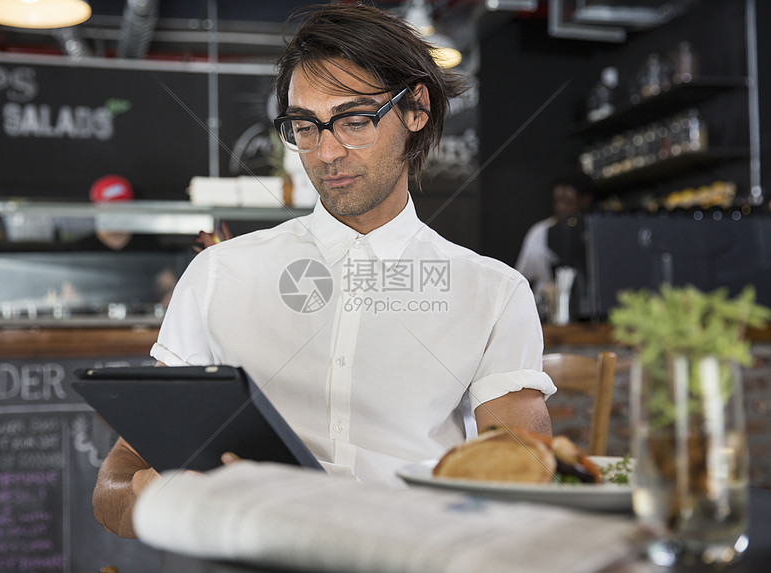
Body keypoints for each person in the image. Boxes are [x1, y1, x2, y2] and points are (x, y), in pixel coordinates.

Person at [92, 4, 555, 538]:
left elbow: (530, 488)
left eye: (355, 120)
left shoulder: (493, 293)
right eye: (305, 126)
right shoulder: (218, 275)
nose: (327, 152)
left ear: (416, 109)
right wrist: (150, 497)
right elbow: (113, 492)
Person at [514, 170, 594, 305]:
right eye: (557, 201)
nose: (560, 207)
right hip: (547, 308)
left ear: (585, 200)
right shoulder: (540, 232)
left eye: (567, 201)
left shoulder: (593, 232)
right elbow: (520, 278)